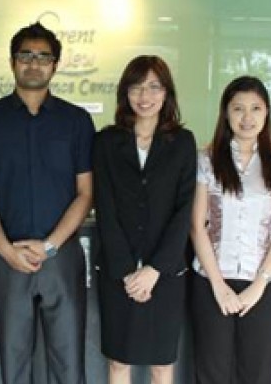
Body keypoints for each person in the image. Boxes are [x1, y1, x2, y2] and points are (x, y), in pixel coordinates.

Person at [0, 21, 95, 384]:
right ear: (11, 62)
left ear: (55, 65)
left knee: (69, 365)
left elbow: (86, 193)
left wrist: (50, 246)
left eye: (43, 57)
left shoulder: (77, 121)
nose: (33, 63)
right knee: (13, 362)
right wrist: (5, 250)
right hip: (8, 256)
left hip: (62, 256)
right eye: (25, 55)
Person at [92, 55, 196, 384]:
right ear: (125, 93)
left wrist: (154, 269)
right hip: (117, 271)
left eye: (154, 86)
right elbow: (105, 208)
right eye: (137, 87)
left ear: (166, 94)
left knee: (162, 364)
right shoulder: (106, 141)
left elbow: (184, 210)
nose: (145, 96)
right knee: (119, 362)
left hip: (164, 274)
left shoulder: (182, 142)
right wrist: (127, 272)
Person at [189, 76, 271, 384]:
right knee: (212, 372)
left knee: (257, 373)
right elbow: (197, 226)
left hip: (262, 282)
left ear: (266, 113)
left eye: (255, 108)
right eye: (238, 109)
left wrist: (259, 285)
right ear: (226, 114)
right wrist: (218, 285)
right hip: (211, 279)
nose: (247, 118)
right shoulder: (207, 159)